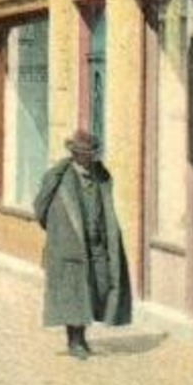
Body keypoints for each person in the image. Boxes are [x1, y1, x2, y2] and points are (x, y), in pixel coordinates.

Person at [34, 129, 132, 360]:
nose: (88, 158)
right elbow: (40, 209)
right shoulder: (58, 177)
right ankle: (75, 341)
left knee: (97, 287)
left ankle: (82, 337)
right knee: (74, 292)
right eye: (82, 154)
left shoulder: (101, 177)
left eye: (90, 154)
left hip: (97, 245)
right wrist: (60, 233)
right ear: (74, 154)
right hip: (69, 247)